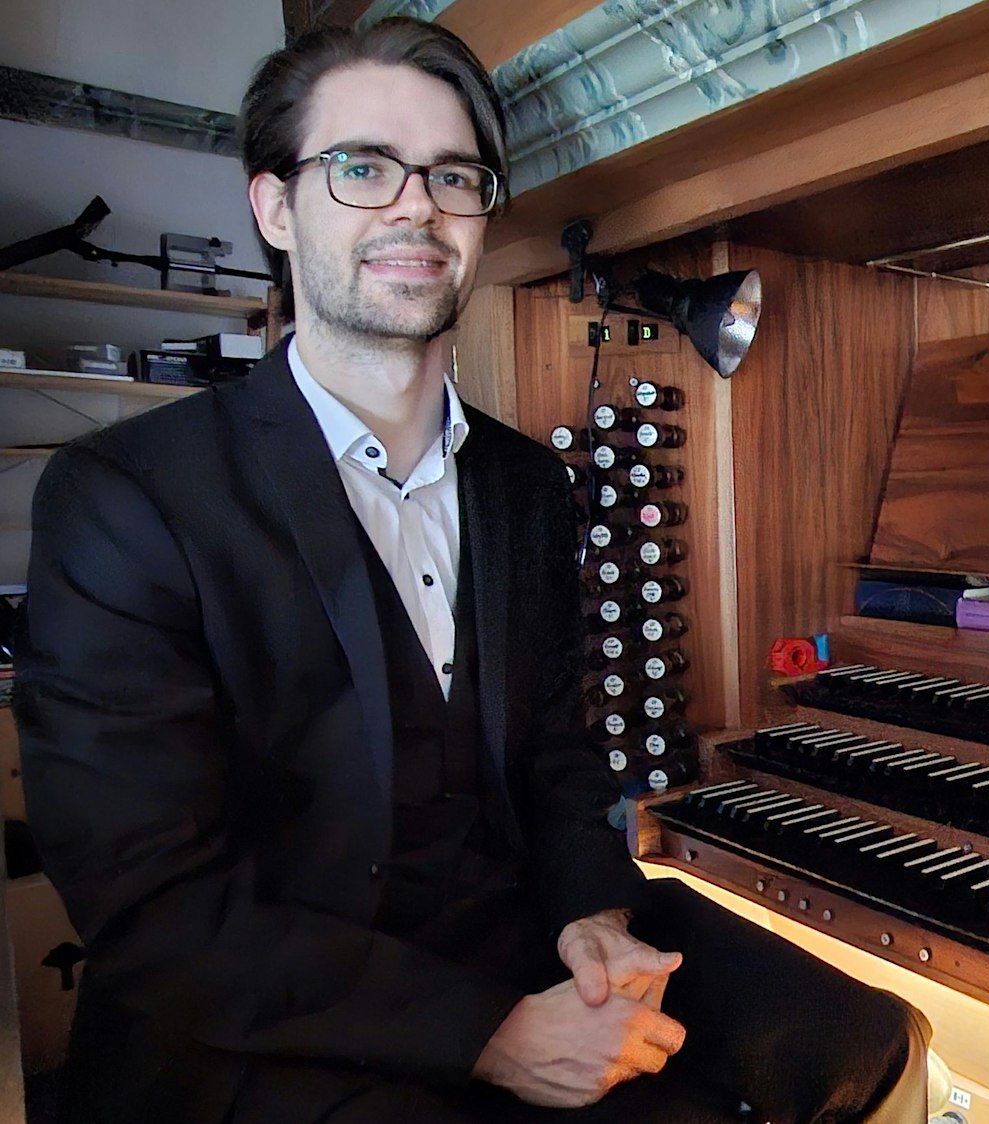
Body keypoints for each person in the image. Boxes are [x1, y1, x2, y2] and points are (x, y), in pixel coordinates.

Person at [14, 18, 930, 1123]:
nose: (416, 205)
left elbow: (557, 758)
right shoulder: (124, 494)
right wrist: (490, 1037)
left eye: (452, 174)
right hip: (266, 1008)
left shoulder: (525, 485)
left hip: (515, 930)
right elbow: (153, 905)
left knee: (863, 1040)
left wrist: (595, 912)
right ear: (273, 208)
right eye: (362, 167)